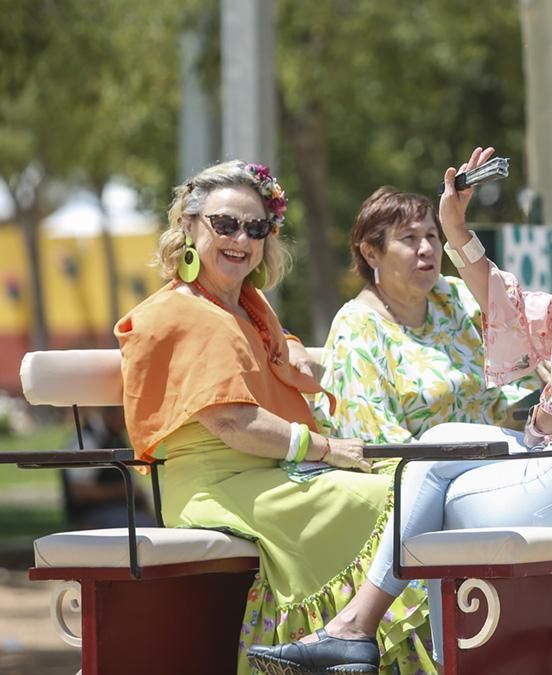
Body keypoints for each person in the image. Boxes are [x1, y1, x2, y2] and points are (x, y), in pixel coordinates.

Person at [248, 88, 552, 674]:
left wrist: (546, 417)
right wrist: (456, 231)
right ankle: (357, 631)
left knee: (432, 488)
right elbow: (527, 312)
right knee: (442, 447)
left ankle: (367, 633)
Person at [116, 161, 435, 674]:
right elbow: (233, 423)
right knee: (386, 495)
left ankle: (369, 642)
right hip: (214, 481)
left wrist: (288, 347)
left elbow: (252, 356)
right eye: (226, 224)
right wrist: (327, 449)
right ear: (190, 226)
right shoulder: (178, 311)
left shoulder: (246, 303)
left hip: (267, 470)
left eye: (257, 227)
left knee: (412, 481)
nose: (241, 238)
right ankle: (346, 639)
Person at [318, 187, 535, 456]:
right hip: (423, 478)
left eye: (432, 236)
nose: (426, 249)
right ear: (371, 252)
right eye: (409, 238)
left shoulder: (454, 296)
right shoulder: (356, 328)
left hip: (503, 455)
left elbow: (523, 353)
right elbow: (376, 444)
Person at [59, 408, 155, 529]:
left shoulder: (114, 437)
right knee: (146, 526)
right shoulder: (86, 441)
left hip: (117, 510)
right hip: (93, 514)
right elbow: (79, 492)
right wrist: (122, 491)